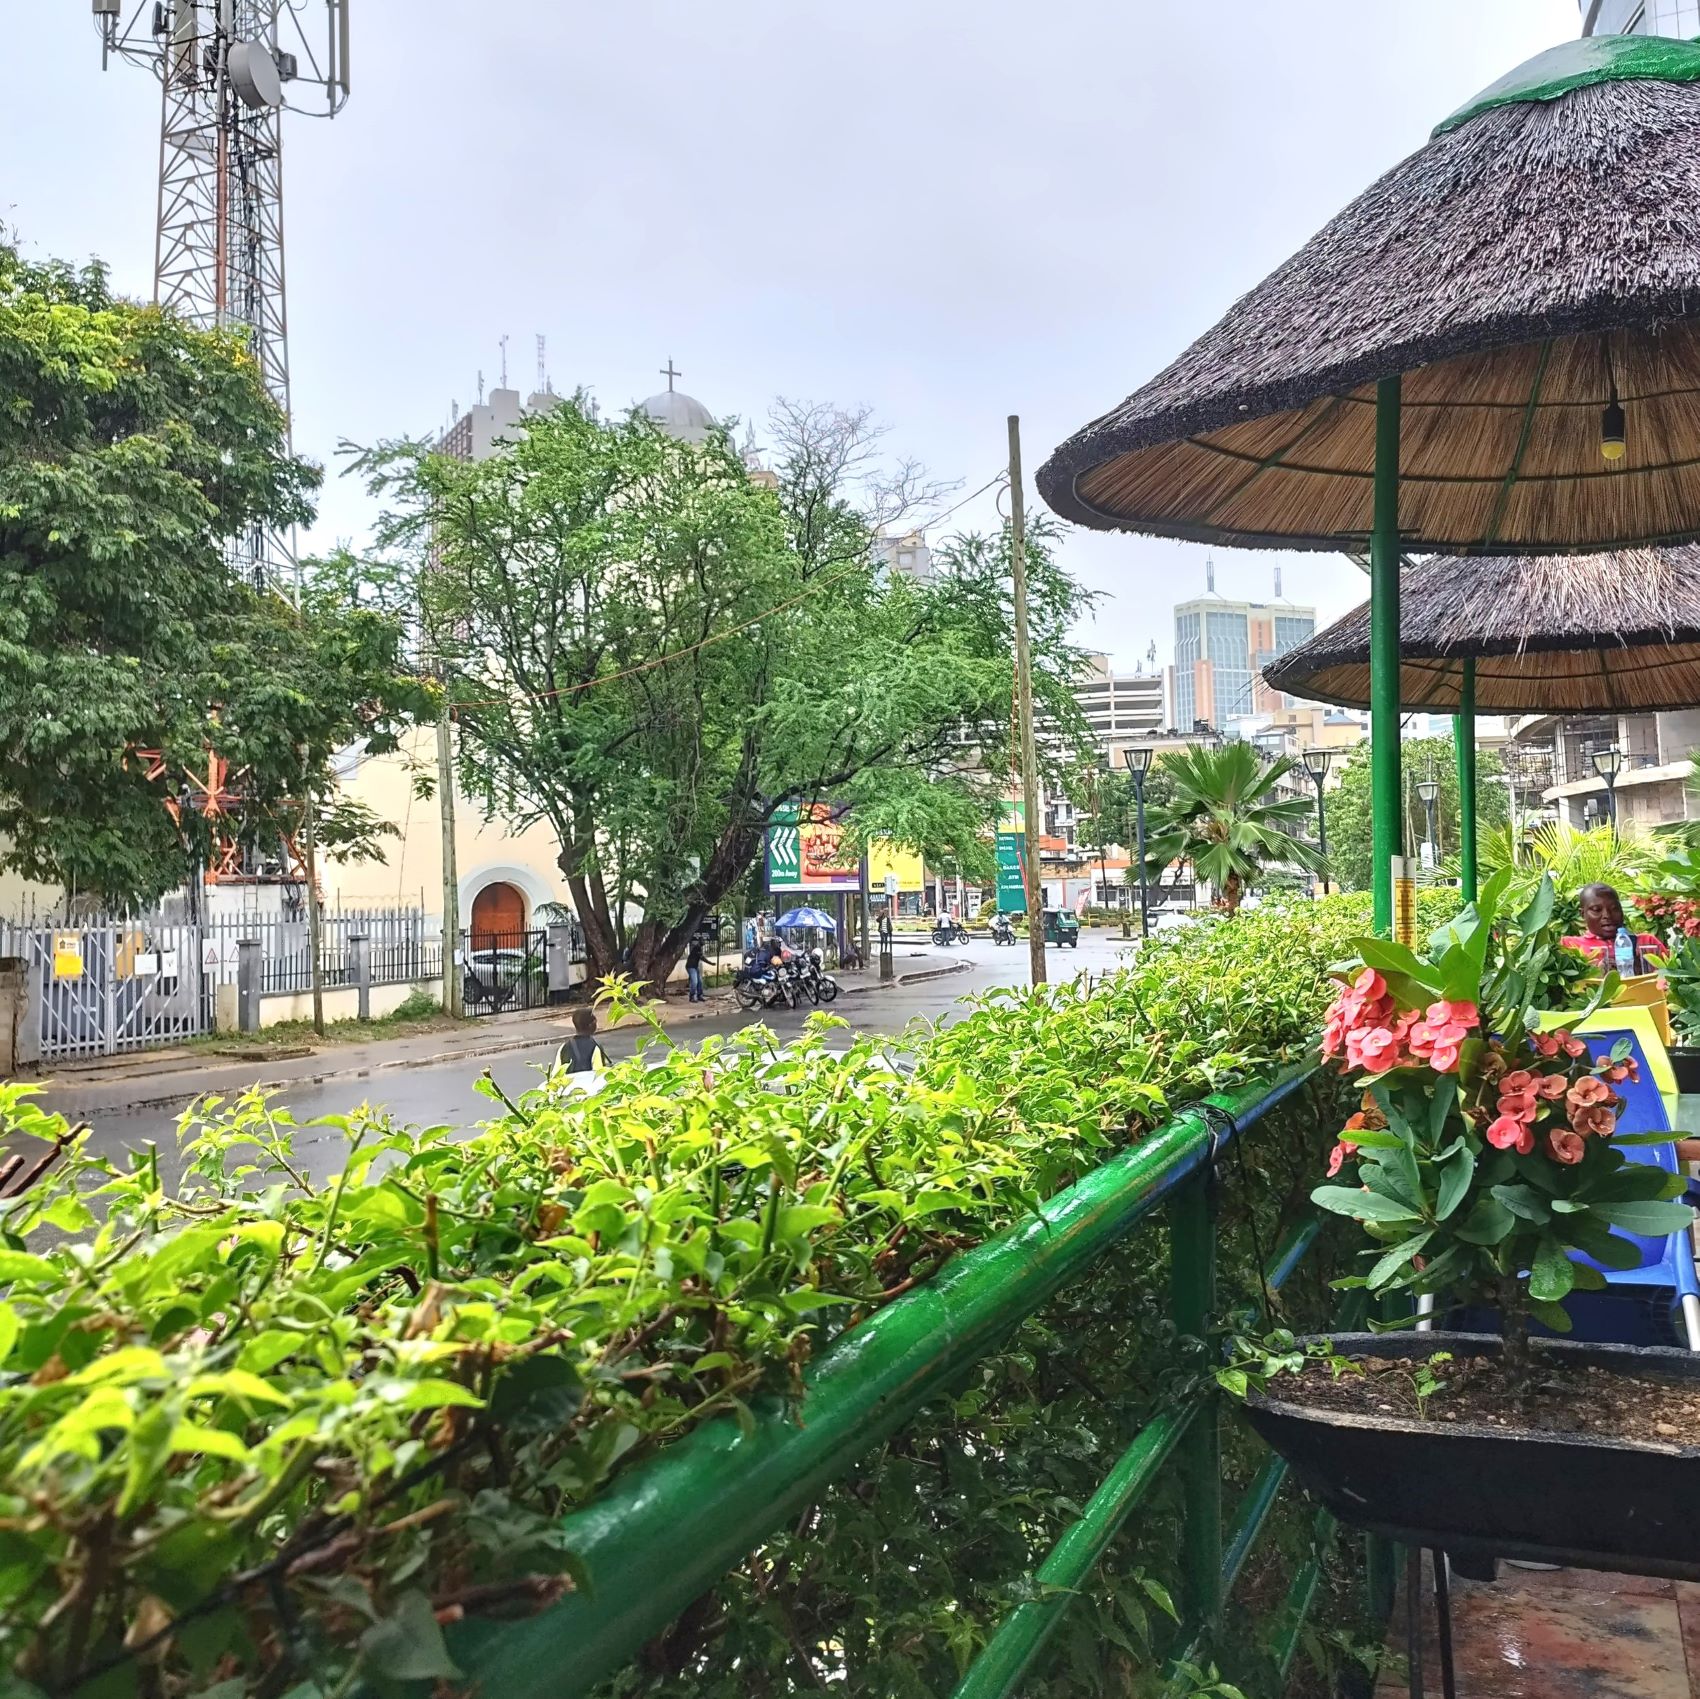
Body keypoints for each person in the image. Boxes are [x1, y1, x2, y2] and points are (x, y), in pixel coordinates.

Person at [1562, 883, 1662, 975]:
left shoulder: (1647, 943)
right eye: (1597, 910)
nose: (1607, 915)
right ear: (1583, 914)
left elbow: (1669, 978)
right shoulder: (1569, 945)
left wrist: (1643, 969)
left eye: (1614, 909)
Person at [556, 1007, 610, 1074]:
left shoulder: (564, 1047)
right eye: (595, 1021)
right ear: (591, 1025)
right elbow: (599, 1074)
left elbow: (555, 1075)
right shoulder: (595, 1047)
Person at [686, 933, 706, 1003]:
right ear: (700, 941)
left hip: (695, 967)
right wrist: (711, 963)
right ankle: (692, 997)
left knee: (700, 982)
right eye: (703, 941)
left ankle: (699, 995)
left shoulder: (699, 948)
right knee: (694, 982)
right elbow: (702, 958)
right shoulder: (697, 948)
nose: (704, 942)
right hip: (690, 967)